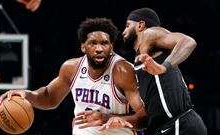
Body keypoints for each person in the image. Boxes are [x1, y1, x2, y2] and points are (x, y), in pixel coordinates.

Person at [0, 17, 147, 135]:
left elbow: (145, 118)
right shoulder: (71, 68)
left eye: (104, 43)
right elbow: (49, 97)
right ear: (83, 46)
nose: (99, 48)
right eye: (93, 43)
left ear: (111, 46)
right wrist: (26, 95)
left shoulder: (122, 71)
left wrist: (107, 119)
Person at [76, 8, 207, 135]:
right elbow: (145, 118)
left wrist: (164, 67)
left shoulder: (149, 34)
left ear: (140, 25)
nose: (123, 32)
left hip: (178, 124)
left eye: (127, 26)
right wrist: (107, 118)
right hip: (166, 127)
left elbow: (188, 41)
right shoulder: (141, 58)